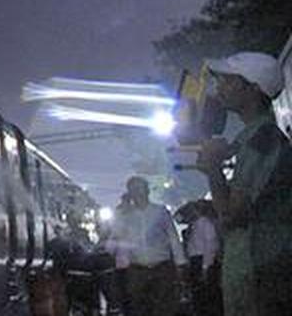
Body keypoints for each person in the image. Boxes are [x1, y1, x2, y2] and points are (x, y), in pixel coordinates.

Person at [194, 51, 292, 316]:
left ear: (253, 88)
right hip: (255, 268)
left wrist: (213, 170)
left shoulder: (262, 142)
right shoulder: (249, 140)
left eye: (228, 81)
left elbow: (231, 215)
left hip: (260, 269)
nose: (219, 88)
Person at [114, 175, 187, 316]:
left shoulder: (160, 211)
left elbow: (173, 237)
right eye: (133, 189)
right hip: (137, 270)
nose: (137, 192)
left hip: (161, 268)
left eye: (139, 188)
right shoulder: (125, 215)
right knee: (139, 308)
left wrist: (180, 262)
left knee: (164, 308)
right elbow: (118, 238)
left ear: (147, 190)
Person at [181, 201, 221, 316]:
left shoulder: (205, 223)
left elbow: (211, 245)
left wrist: (206, 265)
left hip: (203, 260)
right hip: (195, 262)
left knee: (209, 294)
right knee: (199, 296)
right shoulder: (192, 227)